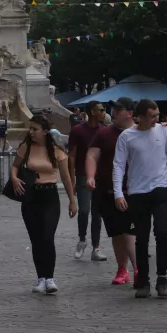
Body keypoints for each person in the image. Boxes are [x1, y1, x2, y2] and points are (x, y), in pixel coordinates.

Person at [113, 99, 167, 299]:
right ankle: (143, 279)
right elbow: (118, 165)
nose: (157, 119)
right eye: (152, 116)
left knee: (162, 232)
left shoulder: (164, 132)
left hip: (161, 188)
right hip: (137, 191)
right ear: (140, 117)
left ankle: (162, 277)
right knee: (141, 237)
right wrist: (119, 193)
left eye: (157, 115)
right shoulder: (127, 137)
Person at [11, 115, 77, 294]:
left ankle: (50, 278)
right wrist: (14, 178)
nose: (31, 132)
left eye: (35, 129)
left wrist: (72, 201)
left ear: (45, 131)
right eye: (30, 129)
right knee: (36, 239)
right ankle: (41, 278)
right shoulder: (26, 147)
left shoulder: (55, 150)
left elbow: (66, 177)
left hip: (50, 196)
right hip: (31, 196)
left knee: (47, 237)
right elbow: (15, 165)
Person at [86, 97, 138, 285]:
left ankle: (138, 269)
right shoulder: (104, 133)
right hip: (106, 190)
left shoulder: (139, 132)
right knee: (116, 232)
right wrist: (90, 176)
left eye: (119, 108)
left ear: (130, 113)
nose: (114, 111)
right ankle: (122, 269)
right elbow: (92, 155)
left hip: (132, 191)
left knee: (129, 231)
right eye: (114, 108)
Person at [68, 100, 106, 261]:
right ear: (92, 112)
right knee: (84, 210)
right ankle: (82, 239)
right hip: (83, 175)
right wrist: (72, 180)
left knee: (97, 213)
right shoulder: (78, 131)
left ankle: (96, 248)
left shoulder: (104, 131)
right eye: (101, 110)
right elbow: (71, 157)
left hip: (100, 177)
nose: (104, 113)